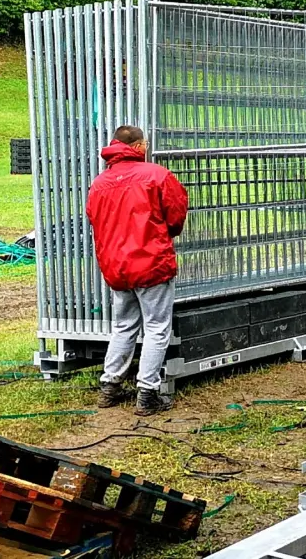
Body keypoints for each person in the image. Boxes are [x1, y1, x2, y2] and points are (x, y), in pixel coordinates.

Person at [86, 124, 189, 415]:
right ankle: (147, 393)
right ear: (139, 147)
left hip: (117, 268)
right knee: (156, 328)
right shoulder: (157, 176)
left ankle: (110, 386)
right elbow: (176, 216)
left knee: (123, 326)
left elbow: (94, 219)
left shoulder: (99, 184)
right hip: (151, 263)